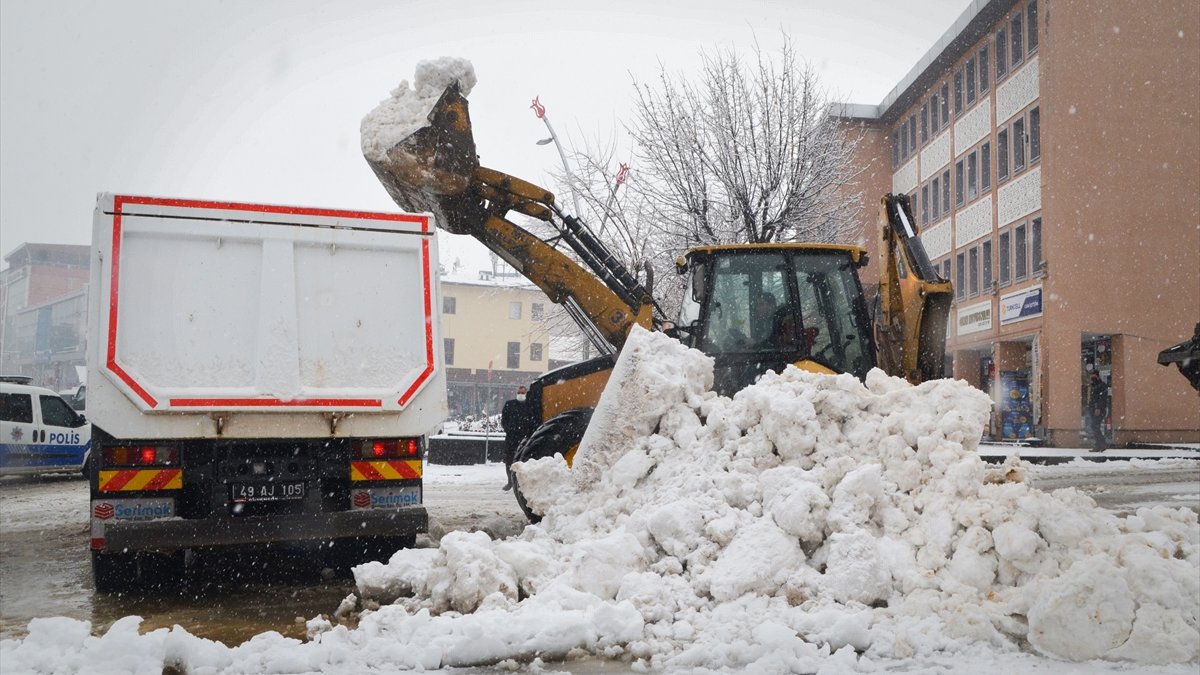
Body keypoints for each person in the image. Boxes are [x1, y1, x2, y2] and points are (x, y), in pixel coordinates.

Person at [500, 385, 539, 489]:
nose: (520, 395)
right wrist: (509, 429)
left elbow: (534, 420)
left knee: (524, 460)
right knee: (509, 460)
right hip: (511, 438)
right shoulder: (510, 404)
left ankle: (522, 482)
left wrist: (529, 433)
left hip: (525, 438)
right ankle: (510, 482)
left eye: (523, 393)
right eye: (519, 393)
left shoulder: (530, 406)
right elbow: (504, 420)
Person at [1086, 371, 1109, 452]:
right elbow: (1092, 398)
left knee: (1095, 426)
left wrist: (1098, 408)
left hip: (1099, 410)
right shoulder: (1093, 385)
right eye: (1091, 376)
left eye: (1093, 375)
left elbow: (1102, 398)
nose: (1091, 377)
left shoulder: (1101, 385)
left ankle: (1102, 443)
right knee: (1095, 427)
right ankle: (1099, 445)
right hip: (1093, 409)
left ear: (1097, 376)